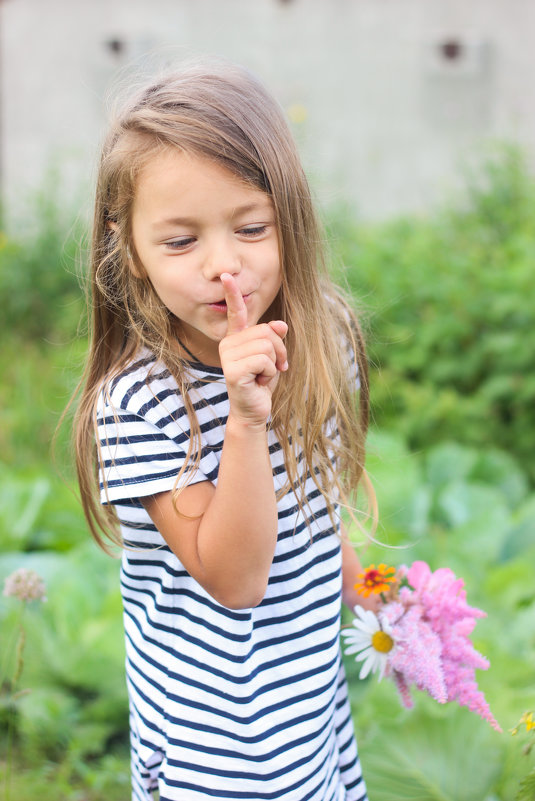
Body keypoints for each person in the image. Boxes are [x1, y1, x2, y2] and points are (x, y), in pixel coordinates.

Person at [74, 60, 374, 801]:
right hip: (217, 742)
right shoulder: (138, 405)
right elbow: (234, 578)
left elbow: (318, 499)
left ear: (289, 218)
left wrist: (374, 591)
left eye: (249, 228)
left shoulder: (322, 337)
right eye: (180, 242)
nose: (225, 268)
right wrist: (245, 416)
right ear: (127, 246)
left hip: (308, 706)